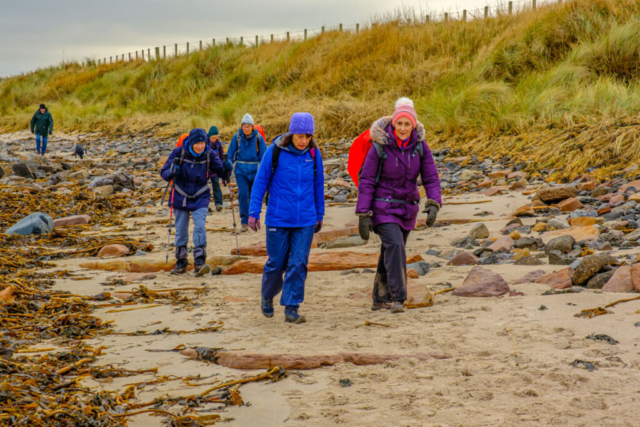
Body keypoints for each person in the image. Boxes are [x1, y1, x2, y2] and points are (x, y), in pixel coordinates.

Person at [355, 98, 442, 314]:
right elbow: (366, 180)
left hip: (407, 209)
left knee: (390, 249)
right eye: (399, 123)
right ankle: (398, 298)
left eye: (407, 124)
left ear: (413, 125)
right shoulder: (379, 146)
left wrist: (433, 203)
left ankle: (379, 297)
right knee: (395, 247)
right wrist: (363, 213)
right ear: (394, 123)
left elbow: (431, 177)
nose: (403, 128)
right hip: (382, 207)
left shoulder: (421, 147)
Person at [248, 112, 324, 324]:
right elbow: (260, 182)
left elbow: (318, 185)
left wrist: (320, 214)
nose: (303, 140)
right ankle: (267, 295)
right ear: (291, 133)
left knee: (298, 263)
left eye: (308, 136)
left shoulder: (313, 153)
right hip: (278, 218)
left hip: (306, 220)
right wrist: (254, 212)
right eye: (300, 135)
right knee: (277, 263)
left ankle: (291, 307)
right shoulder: (275, 152)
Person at [161, 128, 229, 276]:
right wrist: (172, 171)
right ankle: (181, 263)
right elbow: (164, 173)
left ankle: (199, 262)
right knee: (181, 230)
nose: (200, 146)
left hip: (200, 195)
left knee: (199, 226)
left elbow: (222, 171)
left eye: (202, 143)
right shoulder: (179, 152)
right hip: (180, 195)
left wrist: (228, 168)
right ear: (191, 142)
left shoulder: (209, 154)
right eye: (197, 143)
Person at [227, 114, 267, 231]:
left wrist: (265, 173)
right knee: (243, 194)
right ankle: (244, 221)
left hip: (255, 171)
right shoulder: (237, 138)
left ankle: (254, 218)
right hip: (241, 171)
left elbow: (264, 157)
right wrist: (228, 167)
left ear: (252, 127)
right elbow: (230, 155)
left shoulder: (258, 138)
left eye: (249, 126)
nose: (247, 128)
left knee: (255, 195)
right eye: (245, 126)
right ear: (242, 126)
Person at [207, 126, 233, 211]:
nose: (214, 139)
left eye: (216, 137)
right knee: (203, 187)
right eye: (213, 138)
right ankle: (204, 205)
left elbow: (222, 156)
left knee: (216, 186)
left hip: (215, 169)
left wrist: (224, 168)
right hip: (206, 169)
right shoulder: (204, 144)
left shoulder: (219, 144)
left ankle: (218, 204)